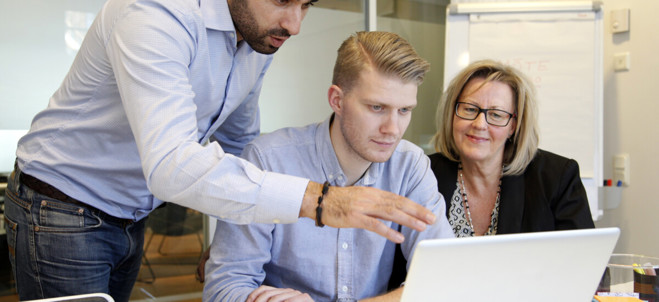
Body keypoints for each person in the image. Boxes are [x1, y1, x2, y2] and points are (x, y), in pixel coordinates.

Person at [3, 1, 437, 301]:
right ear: (337, 99)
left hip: (130, 213)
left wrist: (234, 228)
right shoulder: (156, 15)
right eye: (283, 1)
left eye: (305, 5)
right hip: (62, 201)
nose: (295, 24)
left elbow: (237, 138)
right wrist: (321, 201)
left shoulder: (259, 33)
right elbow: (171, 165)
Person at [202, 31, 454, 302]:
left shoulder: (410, 166)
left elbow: (445, 277)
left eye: (404, 110)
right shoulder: (268, 161)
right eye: (377, 107)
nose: (393, 129)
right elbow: (223, 289)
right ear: (337, 100)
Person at [429, 59, 595, 237]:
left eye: (496, 114)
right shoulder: (425, 173)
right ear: (452, 113)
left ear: (513, 126)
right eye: (469, 109)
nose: (479, 124)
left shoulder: (556, 178)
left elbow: (587, 260)